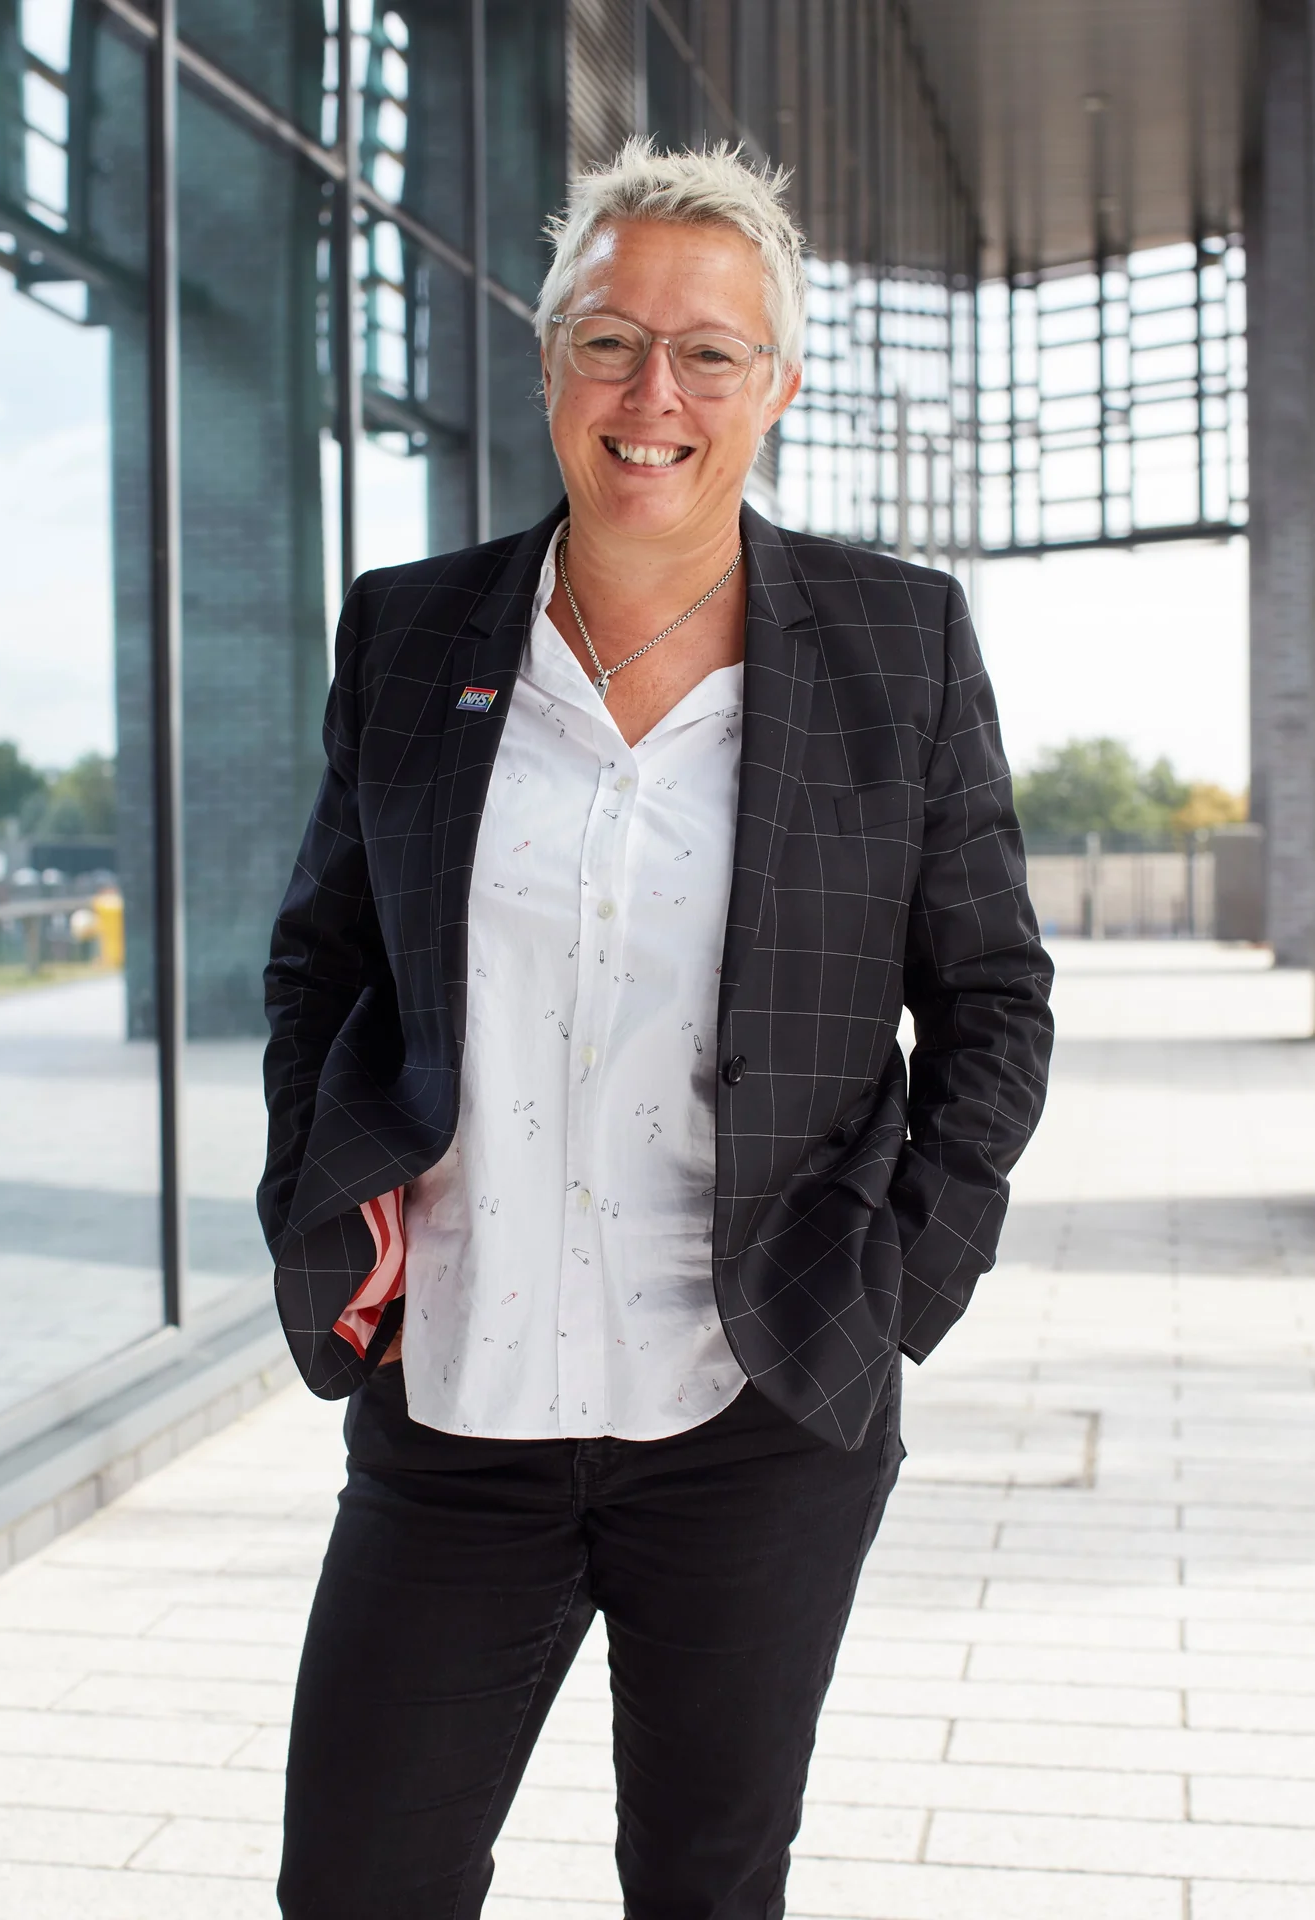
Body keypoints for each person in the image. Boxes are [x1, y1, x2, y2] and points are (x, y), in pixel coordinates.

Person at [259, 138, 1053, 1920]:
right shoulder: (411, 633)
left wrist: (904, 1284)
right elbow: (321, 961)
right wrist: (322, 1192)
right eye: (609, 341)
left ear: (775, 385)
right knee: (356, 1881)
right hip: (458, 1402)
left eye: (707, 352)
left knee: (705, 1883)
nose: (653, 396)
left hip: (756, 1404)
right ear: (549, 361)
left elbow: (992, 997)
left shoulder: (896, 643)